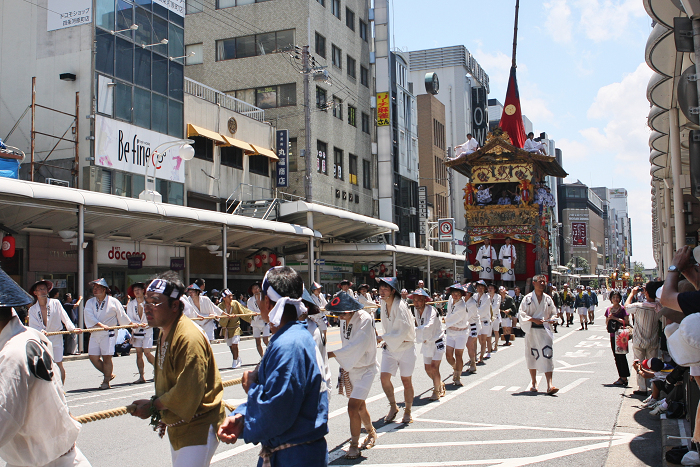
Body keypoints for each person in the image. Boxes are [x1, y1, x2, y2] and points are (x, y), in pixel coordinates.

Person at [217, 266, 329, 467]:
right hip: (297, 451)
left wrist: (250, 387)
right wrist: (243, 416)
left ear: (267, 302)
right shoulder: (292, 337)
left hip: (294, 457)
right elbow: (279, 397)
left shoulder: (289, 344)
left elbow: (278, 410)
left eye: (261, 297)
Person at [130, 272, 225, 467]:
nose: (147, 308)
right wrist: (162, 410)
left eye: (154, 302)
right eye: (145, 302)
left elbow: (187, 390)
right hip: (182, 423)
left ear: (174, 305)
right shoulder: (167, 330)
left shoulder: (188, 337)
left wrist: (154, 406)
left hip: (198, 424)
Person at [0, 268, 92, 467]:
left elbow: (3, 417)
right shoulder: (30, 335)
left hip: (46, 460)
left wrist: (70, 329)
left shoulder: (12, 355)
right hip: (48, 454)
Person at [327, 292, 379, 459]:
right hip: (352, 367)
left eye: (341, 313)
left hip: (366, 368)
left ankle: (354, 445)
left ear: (350, 310)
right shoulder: (344, 320)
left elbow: (359, 344)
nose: (339, 317)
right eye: (337, 313)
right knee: (361, 406)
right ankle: (371, 432)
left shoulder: (364, 319)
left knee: (352, 407)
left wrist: (333, 354)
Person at [376, 276, 417, 424]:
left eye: (385, 288)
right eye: (381, 288)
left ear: (393, 290)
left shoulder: (400, 306)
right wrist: (385, 338)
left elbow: (403, 329)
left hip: (405, 346)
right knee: (384, 378)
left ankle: (408, 411)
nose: (382, 291)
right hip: (390, 347)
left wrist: (383, 337)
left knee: (406, 381)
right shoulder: (383, 302)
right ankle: (393, 406)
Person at [27, 279, 82, 384]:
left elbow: (64, 317)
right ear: (35, 292)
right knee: (44, 364)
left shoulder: (55, 303)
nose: (43, 291)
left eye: (44, 289)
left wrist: (72, 328)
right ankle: (50, 388)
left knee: (58, 363)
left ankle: (61, 388)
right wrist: (41, 332)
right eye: (40, 289)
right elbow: (33, 326)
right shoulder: (33, 309)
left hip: (56, 336)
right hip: (42, 339)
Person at [84, 278, 132, 390]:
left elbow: (122, 316)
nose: (95, 290)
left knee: (107, 357)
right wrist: (100, 325)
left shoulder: (114, 301)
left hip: (109, 333)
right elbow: (89, 316)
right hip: (95, 332)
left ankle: (106, 381)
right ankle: (109, 374)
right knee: (93, 357)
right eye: (94, 288)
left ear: (105, 289)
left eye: (98, 288)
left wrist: (131, 324)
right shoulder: (90, 302)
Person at [518, 274, 559, 395]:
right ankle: (534, 382)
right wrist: (533, 319)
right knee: (532, 355)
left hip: (544, 330)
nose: (542, 284)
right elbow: (521, 313)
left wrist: (552, 318)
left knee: (548, 355)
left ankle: (549, 384)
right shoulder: (528, 298)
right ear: (534, 283)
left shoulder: (548, 299)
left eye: (544, 282)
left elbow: (554, 313)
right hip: (532, 330)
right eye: (540, 281)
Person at [625, 281, 663, 396]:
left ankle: (642, 388)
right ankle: (654, 388)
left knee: (639, 363)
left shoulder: (639, 306)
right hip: (653, 341)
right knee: (653, 364)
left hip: (639, 341)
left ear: (645, 292)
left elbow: (626, 307)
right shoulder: (659, 308)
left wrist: (632, 294)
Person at [411, 288, 445, 400]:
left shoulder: (432, 310)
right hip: (426, 342)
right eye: (414, 300)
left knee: (434, 367)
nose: (416, 302)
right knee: (427, 369)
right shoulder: (415, 310)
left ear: (425, 300)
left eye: (419, 300)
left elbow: (429, 325)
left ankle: (436, 391)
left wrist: (414, 330)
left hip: (437, 341)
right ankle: (439, 383)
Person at [218, 289, 255, 369]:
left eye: (231, 296)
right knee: (231, 346)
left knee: (235, 344)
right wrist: (227, 317)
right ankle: (237, 358)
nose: (231, 297)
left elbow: (243, 311)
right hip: (227, 328)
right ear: (224, 298)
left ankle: (235, 361)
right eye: (229, 296)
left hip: (235, 327)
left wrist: (252, 314)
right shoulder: (220, 306)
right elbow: (219, 318)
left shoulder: (235, 303)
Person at [126, 282, 154, 384]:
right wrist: (136, 324)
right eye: (135, 290)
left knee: (147, 352)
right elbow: (129, 317)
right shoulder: (131, 304)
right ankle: (141, 376)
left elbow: (154, 316)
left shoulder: (149, 302)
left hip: (147, 330)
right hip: (137, 330)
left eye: (139, 290)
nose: (137, 292)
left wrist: (146, 324)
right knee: (138, 354)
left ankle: (158, 369)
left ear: (143, 291)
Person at [444, 283, 469, 385]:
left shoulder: (462, 306)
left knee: (458, 355)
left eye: (458, 294)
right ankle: (455, 367)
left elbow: (451, 318)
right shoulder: (450, 299)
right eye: (454, 293)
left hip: (461, 332)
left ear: (461, 295)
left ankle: (458, 376)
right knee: (448, 356)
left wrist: (442, 320)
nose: (455, 296)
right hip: (450, 331)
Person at [605, 290, 630, 386]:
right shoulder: (608, 309)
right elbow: (607, 322)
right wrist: (609, 319)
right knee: (616, 356)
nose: (615, 299)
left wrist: (615, 318)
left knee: (621, 355)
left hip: (621, 335)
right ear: (610, 299)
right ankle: (622, 376)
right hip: (612, 334)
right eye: (613, 297)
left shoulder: (622, 309)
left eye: (617, 297)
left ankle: (624, 377)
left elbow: (626, 321)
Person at [247, 283, 270, 357]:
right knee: (257, 341)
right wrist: (257, 314)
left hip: (265, 320)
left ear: (259, 289)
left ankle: (272, 354)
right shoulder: (250, 300)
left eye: (257, 288)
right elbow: (250, 310)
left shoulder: (265, 297)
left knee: (266, 340)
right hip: (256, 321)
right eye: (254, 289)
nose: (255, 290)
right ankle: (262, 357)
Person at [474, 280, 491, 363]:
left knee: (483, 340)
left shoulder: (487, 297)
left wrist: (474, 314)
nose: (480, 289)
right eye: (478, 287)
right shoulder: (474, 296)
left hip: (484, 320)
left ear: (484, 288)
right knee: (477, 339)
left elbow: (483, 310)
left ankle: (481, 357)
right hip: (476, 321)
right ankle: (474, 356)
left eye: (482, 287)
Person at [487, 284, 502, 353]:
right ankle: (489, 346)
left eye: (491, 288)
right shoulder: (486, 296)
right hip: (488, 315)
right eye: (489, 288)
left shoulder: (498, 296)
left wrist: (490, 311)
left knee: (496, 331)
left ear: (495, 289)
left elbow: (496, 305)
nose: (490, 289)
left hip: (495, 315)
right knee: (489, 332)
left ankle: (496, 344)